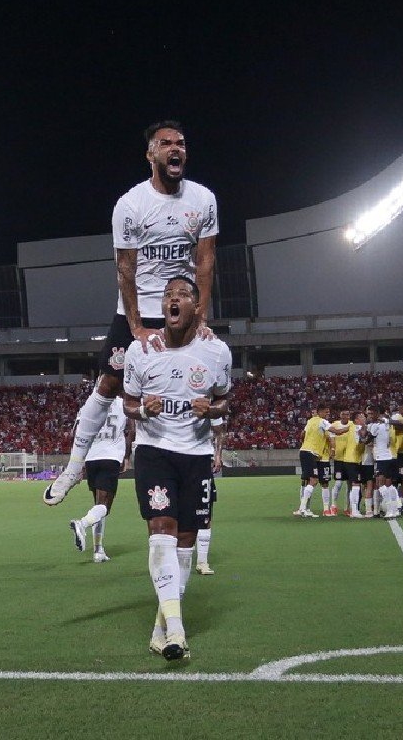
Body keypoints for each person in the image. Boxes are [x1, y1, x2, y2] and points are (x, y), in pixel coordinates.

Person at [44, 121, 219, 506]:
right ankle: (75, 465)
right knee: (107, 385)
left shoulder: (203, 199)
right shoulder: (131, 204)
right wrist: (136, 325)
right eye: (166, 143)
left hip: (182, 309)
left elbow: (205, 259)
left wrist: (201, 314)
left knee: (195, 386)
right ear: (151, 154)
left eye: (181, 143)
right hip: (137, 311)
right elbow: (125, 268)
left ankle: (195, 466)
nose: (176, 149)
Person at [122, 275, 231, 662]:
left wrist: (212, 409)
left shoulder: (217, 352)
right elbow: (127, 405)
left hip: (196, 455)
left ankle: (161, 630)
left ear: (196, 307)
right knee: (162, 531)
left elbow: (224, 403)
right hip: (155, 451)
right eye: (167, 294)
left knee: (186, 543)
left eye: (182, 294)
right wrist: (141, 410)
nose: (173, 298)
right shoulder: (141, 350)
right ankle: (179, 631)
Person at [69, 396, 129, 563]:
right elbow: (131, 430)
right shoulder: (123, 403)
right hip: (110, 456)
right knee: (104, 507)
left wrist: (77, 463)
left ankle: (98, 550)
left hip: (91, 458)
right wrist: (127, 456)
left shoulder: (89, 403)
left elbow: (76, 434)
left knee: (98, 506)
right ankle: (82, 523)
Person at [195, 416, 224, 574]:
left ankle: (202, 561)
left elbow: (219, 431)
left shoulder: (208, 404)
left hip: (202, 463)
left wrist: (218, 454)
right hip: (179, 463)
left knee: (205, 514)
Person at [293, 406, 334, 518]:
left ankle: (320, 509)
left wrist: (332, 450)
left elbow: (331, 439)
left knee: (321, 482)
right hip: (313, 455)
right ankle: (304, 508)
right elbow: (302, 435)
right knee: (309, 481)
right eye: (312, 412)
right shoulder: (314, 423)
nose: (314, 414)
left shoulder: (318, 423)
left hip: (321, 457)